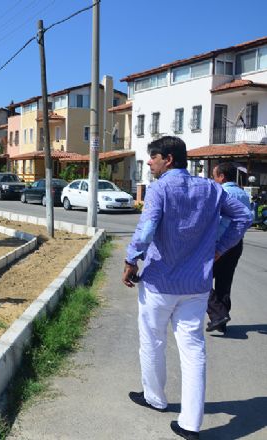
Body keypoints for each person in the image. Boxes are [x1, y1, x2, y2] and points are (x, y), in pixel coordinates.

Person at [122, 137, 252, 440]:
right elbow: (244, 217)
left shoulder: (160, 189)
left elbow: (147, 227)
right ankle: (190, 424)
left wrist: (131, 259)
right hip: (196, 285)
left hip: (159, 283)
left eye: (152, 158)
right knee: (193, 350)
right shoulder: (211, 188)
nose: (150, 163)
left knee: (152, 341)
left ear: (168, 159)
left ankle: (155, 398)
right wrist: (219, 248)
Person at [207, 162, 252, 333]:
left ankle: (217, 314)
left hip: (220, 242)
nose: (213, 178)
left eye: (214, 175)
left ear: (222, 176)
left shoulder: (222, 192)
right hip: (236, 243)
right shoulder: (243, 193)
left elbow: (217, 220)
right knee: (225, 282)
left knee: (200, 279)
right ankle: (221, 320)